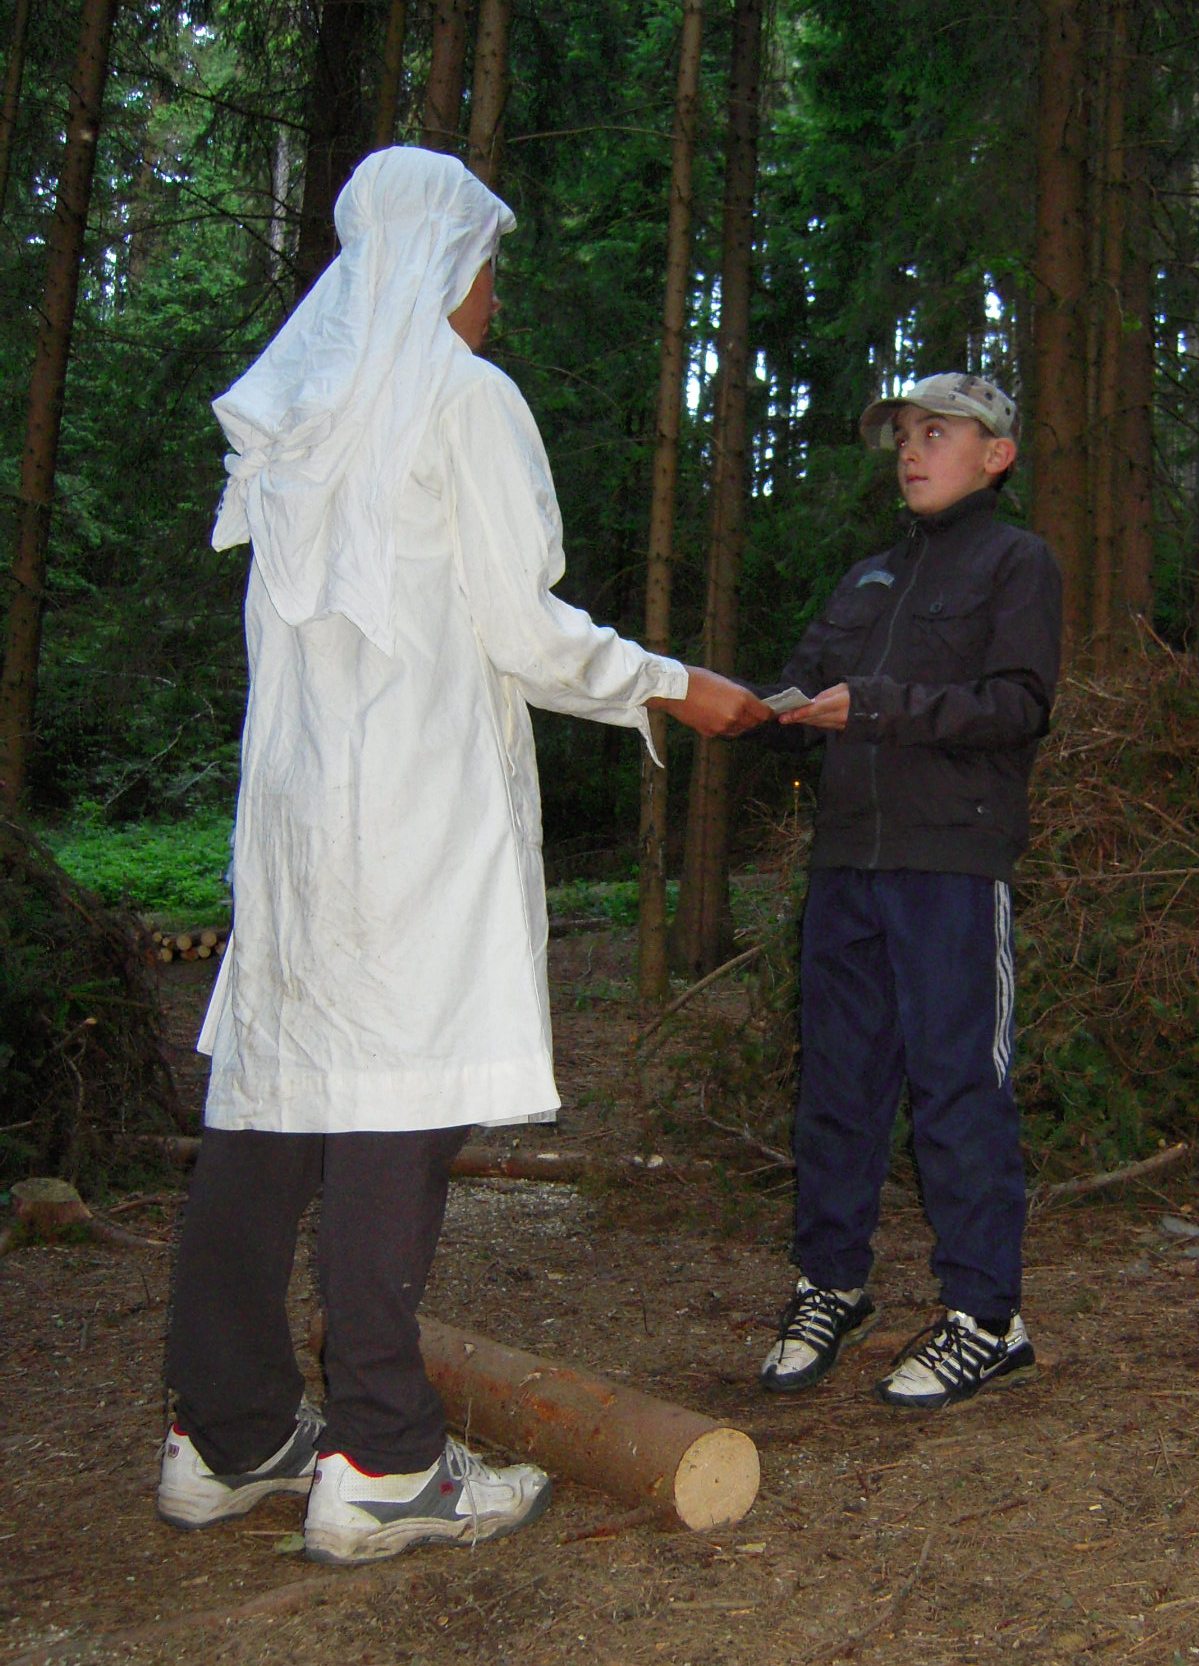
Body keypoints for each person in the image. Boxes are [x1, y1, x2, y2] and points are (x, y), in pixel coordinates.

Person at [157, 146, 769, 1566]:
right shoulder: (460, 397)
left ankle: (226, 1432)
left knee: (274, 1105)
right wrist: (675, 682)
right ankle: (382, 1456)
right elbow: (523, 628)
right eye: (489, 265)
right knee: (396, 1106)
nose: (495, 295)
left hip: (299, 822)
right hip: (414, 813)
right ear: (441, 262)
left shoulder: (304, 406)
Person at [755, 373, 1061, 1409]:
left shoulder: (1017, 562)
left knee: (957, 1088)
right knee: (837, 1087)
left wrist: (876, 706)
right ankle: (830, 1284)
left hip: (951, 865)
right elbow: (804, 686)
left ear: (995, 455)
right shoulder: (868, 577)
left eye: (935, 432)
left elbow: (1016, 706)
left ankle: (986, 1316)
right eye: (901, 436)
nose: (910, 451)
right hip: (847, 863)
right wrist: (740, 706)